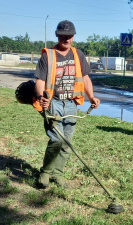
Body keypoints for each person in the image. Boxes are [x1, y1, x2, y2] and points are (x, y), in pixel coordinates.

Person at [33, 20, 100, 188]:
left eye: (70, 36)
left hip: (71, 104)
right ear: (58, 35)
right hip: (53, 103)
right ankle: (46, 173)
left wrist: (91, 97)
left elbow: (85, 78)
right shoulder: (48, 55)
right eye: (64, 36)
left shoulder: (78, 54)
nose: (67, 39)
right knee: (56, 139)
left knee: (67, 142)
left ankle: (58, 174)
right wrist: (42, 97)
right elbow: (40, 81)